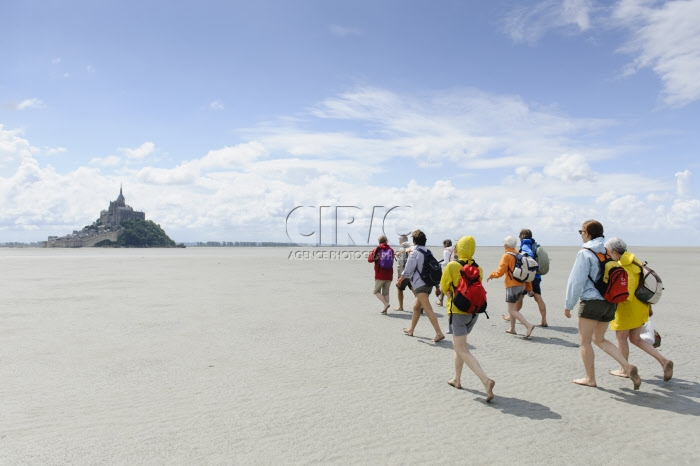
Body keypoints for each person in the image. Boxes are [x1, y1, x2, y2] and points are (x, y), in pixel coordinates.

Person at [564, 220, 642, 389]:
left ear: (587, 233)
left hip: (591, 302)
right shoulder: (608, 251)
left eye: (581, 232)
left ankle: (590, 378)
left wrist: (569, 304)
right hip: (609, 302)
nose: (581, 235)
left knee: (585, 341)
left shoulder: (585, 253)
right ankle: (627, 367)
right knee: (599, 338)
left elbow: (576, 281)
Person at [604, 237, 674, 381]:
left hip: (627, 309)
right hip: (641, 306)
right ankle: (664, 361)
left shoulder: (622, 266)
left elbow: (625, 293)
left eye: (609, 252)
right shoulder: (635, 261)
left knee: (622, 338)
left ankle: (624, 369)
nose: (608, 255)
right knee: (635, 339)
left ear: (615, 252)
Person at [440, 236, 495, 402]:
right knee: (459, 346)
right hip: (473, 312)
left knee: (462, 349)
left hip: (457, 311)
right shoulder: (478, 268)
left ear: (458, 249)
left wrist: (448, 291)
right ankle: (456, 379)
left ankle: (486, 381)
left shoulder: (452, 265)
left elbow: (443, 286)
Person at [397, 230, 445, 343]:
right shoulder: (428, 251)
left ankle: (439, 333)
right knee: (416, 307)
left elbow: (408, 270)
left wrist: (400, 280)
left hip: (420, 284)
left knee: (428, 309)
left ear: (414, 241)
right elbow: (434, 269)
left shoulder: (414, 253)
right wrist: (437, 286)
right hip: (429, 284)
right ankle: (411, 330)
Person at [487, 236, 535, 339]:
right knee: (513, 308)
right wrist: (529, 288)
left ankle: (528, 325)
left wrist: (492, 275)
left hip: (512, 285)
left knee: (511, 310)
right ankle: (512, 329)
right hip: (522, 285)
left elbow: (500, 271)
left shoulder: (507, 256)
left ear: (506, 245)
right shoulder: (519, 255)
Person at [511, 229, 548, 327]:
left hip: (528, 277)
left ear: (521, 237)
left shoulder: (525, 245)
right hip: (537, 276)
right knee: (537, 297)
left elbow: (529, 256)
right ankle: (544, 320)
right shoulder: (534, 245)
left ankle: (512, 315)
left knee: (520, 297)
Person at [367, 235, 394, 314]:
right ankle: (385, 310)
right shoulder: (391, 250)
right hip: (389, 274)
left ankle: (386, 304)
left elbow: (369, 260)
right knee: (386, 292)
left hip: (380, 274)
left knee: (376, 291)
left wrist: (375, 258)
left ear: (379, 242)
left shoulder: (377, 249)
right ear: (386, 241)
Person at [394, 234, 414, 312]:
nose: (399, 242)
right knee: (414, 289)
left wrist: (399, 276)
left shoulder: (402, 249)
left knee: (399, 289)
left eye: (399, 240)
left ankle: (400, 306)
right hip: (412, 273)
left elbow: (401, 264)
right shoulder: (412, 249)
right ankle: (420, 306)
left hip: (404, 273)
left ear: (402, 241)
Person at [435, 239, 453, 307]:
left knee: (444, 284)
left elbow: (446, 262)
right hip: (456, 269)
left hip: (448, 269)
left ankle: (441, 301)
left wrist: (439, 263)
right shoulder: (454, 250)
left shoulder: (446, 250)